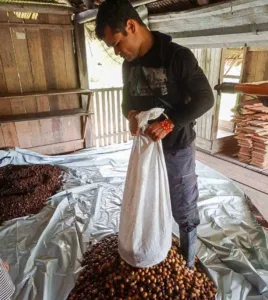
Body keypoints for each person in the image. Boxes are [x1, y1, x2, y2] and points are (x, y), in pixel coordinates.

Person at [95, 0, 214, 269]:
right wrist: (130, 117)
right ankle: (152, 246)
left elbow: (206, 98)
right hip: (147, 151)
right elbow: (127, 102)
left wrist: (169, 123)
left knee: (183, 207)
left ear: (130, 26)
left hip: (176, 149)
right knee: (144, 202)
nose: (116, 52)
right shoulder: (129, 65)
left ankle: (187, 261)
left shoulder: (176, 57)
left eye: (116, 44)